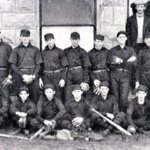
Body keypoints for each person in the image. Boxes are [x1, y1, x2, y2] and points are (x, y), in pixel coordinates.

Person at [8, 29, 43, 103]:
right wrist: (22, 75)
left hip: (33, 76)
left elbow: (38, 64)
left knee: (34, 97)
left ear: (29, 37)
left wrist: (33, 76)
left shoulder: (35, 49)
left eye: (26, 36)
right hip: (20, 77)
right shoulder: (16, 50)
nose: (25, 38)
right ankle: (21, 114)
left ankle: (34, 114)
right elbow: (12, 64)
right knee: (21, 98)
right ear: (20, 37)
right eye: (23, 36)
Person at [107, 31, 137, 112]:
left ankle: (123, 117)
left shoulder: (131, 50)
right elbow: (109, 64)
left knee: (124, 97)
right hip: (114, 74)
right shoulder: (112, 50)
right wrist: (126, 61)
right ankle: (116, 116)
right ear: (117, 39)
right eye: (120, 37)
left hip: (126, 75)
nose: (121, 39)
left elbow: (134, 64)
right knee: (115, 96)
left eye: (123, 37)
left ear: (126, 38)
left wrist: (120, 61)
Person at [64, 32, 91, 101]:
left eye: (76, 39)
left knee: (80, 92)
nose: (74, 41)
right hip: (69, 73)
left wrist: (85, 81)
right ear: (70, 39)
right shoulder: (66, 51)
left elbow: (86, 67)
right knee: (68, 92)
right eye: (73, 39)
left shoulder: (83, 51)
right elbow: (63, 66)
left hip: (79, 73)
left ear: (79, 40)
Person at [39, 33, 68, 99]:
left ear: (54, 40)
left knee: (58, 95)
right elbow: (40, 67)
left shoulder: (60, 51)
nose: (49, 42)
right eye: (47, 40)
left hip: (57, 76)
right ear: (46, 42)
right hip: (47, 76)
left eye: (51, 40)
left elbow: (64, 66)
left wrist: (63, 79)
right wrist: (40, 79)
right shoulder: (42, 53)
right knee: (47, 94)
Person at [136, 32, 150, 97]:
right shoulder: (141, 51)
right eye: (146, 38)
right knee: (145, 97)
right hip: (144, 77)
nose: (148, 40)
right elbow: (138, 66)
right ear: (144, 40)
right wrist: (137, 81)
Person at [0, 32, 13, 99]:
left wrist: (10, 75)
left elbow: (12, 63)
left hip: (4, 74)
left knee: (5, 96)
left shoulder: (7, 47)